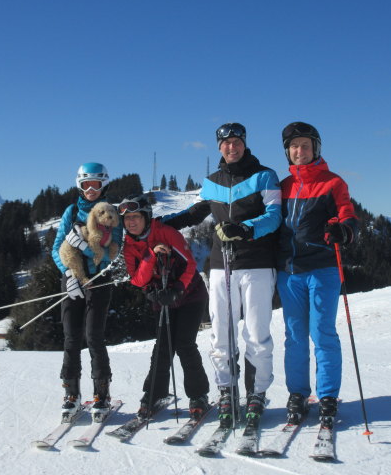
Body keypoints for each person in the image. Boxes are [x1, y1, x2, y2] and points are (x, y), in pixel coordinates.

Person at [162, 122, 281, 425]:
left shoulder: (264, 175)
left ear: (245, 143)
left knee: (256, 333)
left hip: (256, 263)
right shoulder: (212, 181)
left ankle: (256, 394)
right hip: (220, 265)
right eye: (226, 143)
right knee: (221, 334)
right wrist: (162, 225)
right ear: (219, 147)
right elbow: (195, 212)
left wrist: (246, 228)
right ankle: (227, 390)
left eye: (237, 141)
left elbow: (274, 216)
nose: (232, 147)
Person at [275, 121, 358, 428]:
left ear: (316, 149)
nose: (300, 151)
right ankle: (297, 393)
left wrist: (344, 231)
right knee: (295, 336)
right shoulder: (283, 187)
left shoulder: (333, 183)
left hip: (323, 268)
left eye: (305, 146)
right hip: (290, 272)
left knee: (322, 333)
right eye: (294, 146)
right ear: (288, 151)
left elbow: (348, 215)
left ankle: (327, 396)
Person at [119, 194, 211, 420]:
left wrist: (178, 288)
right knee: (162, 348)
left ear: (146, 217)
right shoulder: (129, 245)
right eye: (127, 218)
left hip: (190, 296)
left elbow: (190, 263)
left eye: (136, 217)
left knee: (184, 344)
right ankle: (153, 395)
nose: (131, 222)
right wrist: (150, 256)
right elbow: (137, 279)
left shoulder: (167, 233)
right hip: (162, 298)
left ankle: (198, 395)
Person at [51, 162, 122, 421]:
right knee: (71, 337)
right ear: (79, 185)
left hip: (100, 279)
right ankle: (71, 393)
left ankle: (101, 393)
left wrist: (90, 255)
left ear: (104, 185)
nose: (91, 190)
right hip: (72, 279)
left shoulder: (111, 212)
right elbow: (57, 247)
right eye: (86, 184)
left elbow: (115, 248)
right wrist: (69, 273)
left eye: (96, 184)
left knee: (94, 336)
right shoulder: (71, 212)